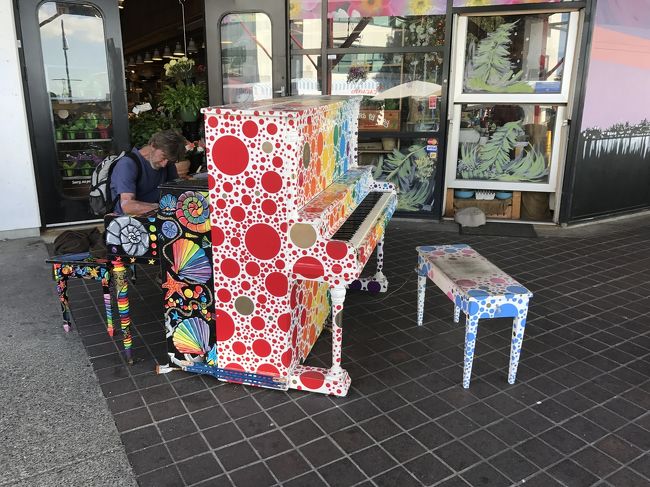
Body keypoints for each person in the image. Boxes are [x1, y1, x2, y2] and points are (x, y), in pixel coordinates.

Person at [110, 129, 186, 215]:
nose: (164, 164)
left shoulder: (168, 164)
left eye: (169, 161)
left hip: (156, 216)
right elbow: (127, 206)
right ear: (153, 145)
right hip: (130, 221)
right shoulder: (127, 164)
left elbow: (176, 193)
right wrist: (161, 208)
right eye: (163, 157)